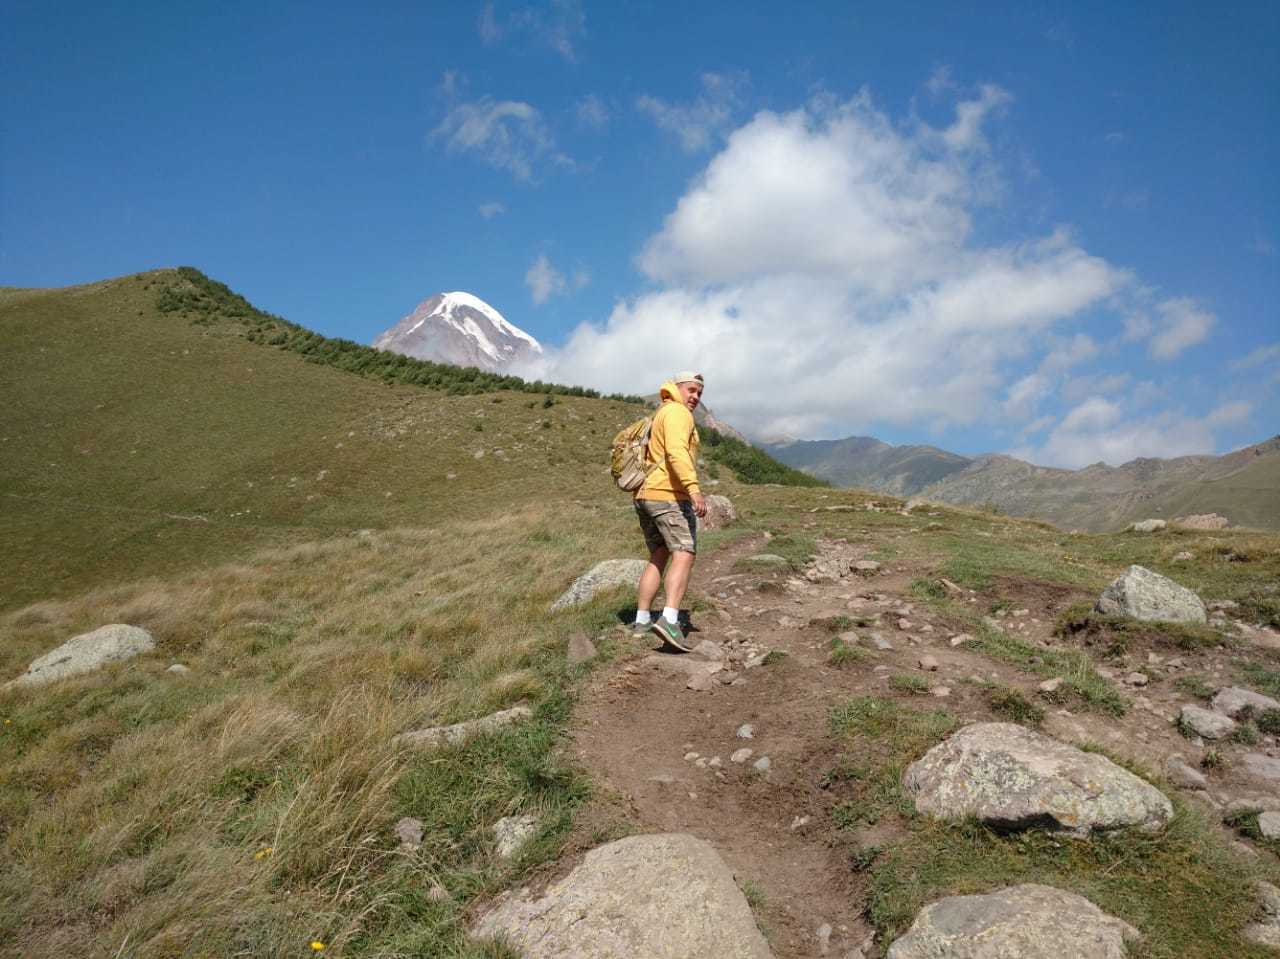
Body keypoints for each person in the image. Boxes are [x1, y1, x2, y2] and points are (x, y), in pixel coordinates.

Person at [633, 371, 707, 651]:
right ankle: (670, 619)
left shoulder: (661, 412)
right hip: (667, 495)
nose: (696, 397)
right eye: (691, 390)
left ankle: (641, 620)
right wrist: (693, 488)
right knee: (684, 552)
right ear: (677, 388)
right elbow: (677, 452)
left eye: (699, 392)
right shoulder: (677, 413)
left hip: (645, 494)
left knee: (659, 553)